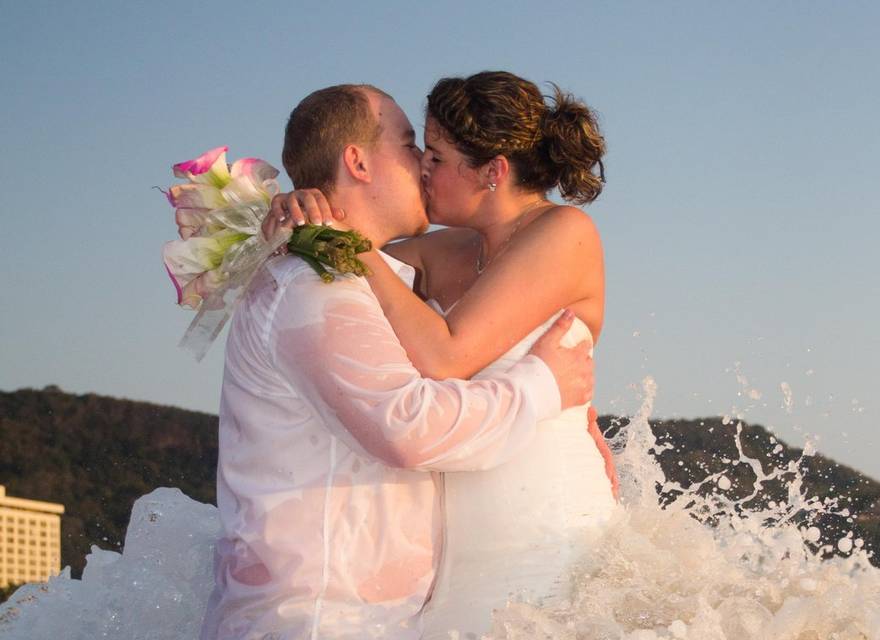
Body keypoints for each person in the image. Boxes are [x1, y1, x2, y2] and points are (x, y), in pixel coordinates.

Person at [201, 84, 596, 640]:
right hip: (323, 617)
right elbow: (406, 425)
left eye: (434, 154)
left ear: (491, 170)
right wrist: (542, 387)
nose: (422, 165)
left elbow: (444, 353)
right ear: (357, 162)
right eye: (414, 146)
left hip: (507, 529)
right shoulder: (319, 279)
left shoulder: (360, 271)